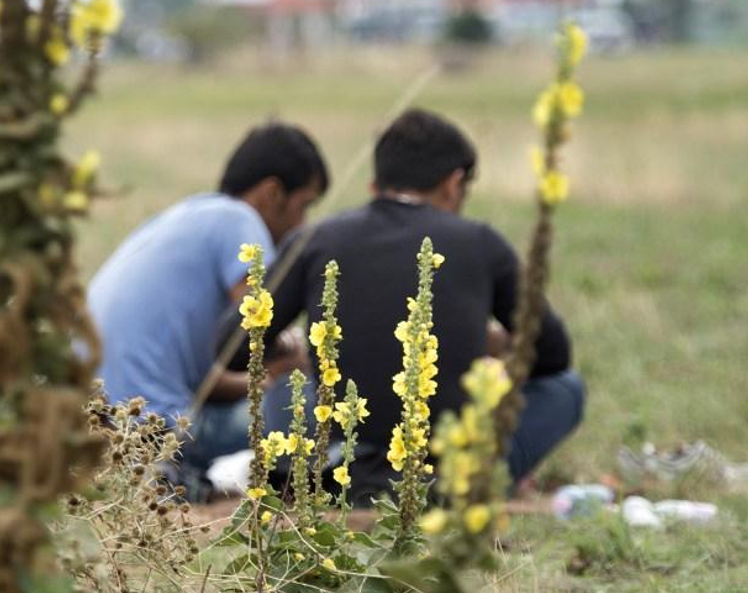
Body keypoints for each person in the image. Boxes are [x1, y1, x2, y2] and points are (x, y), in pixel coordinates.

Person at [226, 108, 584, 502]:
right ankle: (470, 482)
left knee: (289, 387)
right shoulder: (481, 242)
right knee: (565, 389)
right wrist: (485, 348)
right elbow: (553, 355)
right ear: (454, 184)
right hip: (445, 464)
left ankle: (316, 474)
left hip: (343, 457)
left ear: (374, 183)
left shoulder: (316, 240)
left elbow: (232, 347)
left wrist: (293, 353)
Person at [87, 121, 330, 476]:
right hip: (159, 430)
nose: (302, 225)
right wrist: (289, 362)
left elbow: (205, 380)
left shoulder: (189, 215)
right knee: (317, 404)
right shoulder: (240, 222)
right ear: (272, 193)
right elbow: (257, 332)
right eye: (304, 206)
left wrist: (267, 375)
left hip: (97, 416)